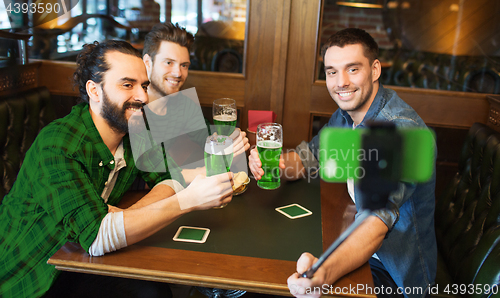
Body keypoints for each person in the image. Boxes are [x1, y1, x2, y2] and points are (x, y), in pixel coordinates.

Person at [0, 40, 234, 298]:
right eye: (127, 85)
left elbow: (170, 179)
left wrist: (123, 217)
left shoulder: (136, 129)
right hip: (32, 274)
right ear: (94, 90)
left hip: (82, 260)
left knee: (154, 292)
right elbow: (97, 237)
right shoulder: (58, 143)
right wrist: (188, 201)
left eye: (144, 85)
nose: (143, 96)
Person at [249, 28, 436, 297]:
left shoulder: (399, 131)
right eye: (332, 71)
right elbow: (308, 158)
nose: (341, 82)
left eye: (352, 69)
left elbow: (375, 222)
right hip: (351, 238)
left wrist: (323, 274)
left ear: (374, 70)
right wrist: (272, 164)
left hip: (391, 273)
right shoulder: (347, 115)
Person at [141, 22, 250, 183]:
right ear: (148, 63)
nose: (178, 73)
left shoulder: (182, 104)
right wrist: (207, 170)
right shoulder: (132, 108)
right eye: (168, 62)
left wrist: (227, 141)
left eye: (184, 65)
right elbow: (151, 176)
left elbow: (207, 139)